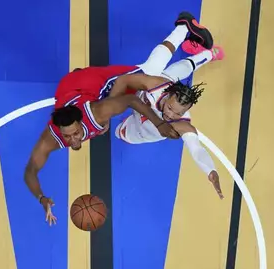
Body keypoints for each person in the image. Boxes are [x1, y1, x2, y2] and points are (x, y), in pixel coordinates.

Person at [25, 12, 215, 225]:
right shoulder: (52, 138)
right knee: (158, 80)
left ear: (81, 123)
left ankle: (183, 27)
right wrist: (42, 198)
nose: (74, 140)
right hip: (69, 87)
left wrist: (159, 123)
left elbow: (130, 102)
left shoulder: (96, 113)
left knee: (149, 70)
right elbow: (30, 171)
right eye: (68, 137)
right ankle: (204, 54)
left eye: (76, 133)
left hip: (91, 83)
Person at [110, 45, 226, 199]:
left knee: (119, 133)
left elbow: (196, 149)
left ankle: (209, 54)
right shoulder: (156, 85)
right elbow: (123, 80)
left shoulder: (182, 124)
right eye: (170, 108)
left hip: (140, 130)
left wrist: (210, 170)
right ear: (167, 95)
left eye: (179, 112)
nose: (171, 115)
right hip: (139, 101)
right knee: (178, 67)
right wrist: (109, 107)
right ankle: (207, 52)